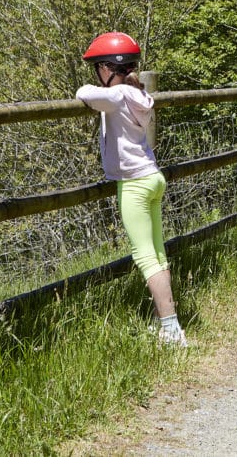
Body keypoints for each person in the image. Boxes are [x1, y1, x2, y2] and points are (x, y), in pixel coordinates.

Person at [77, 31, 188, 347]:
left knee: (145, 256)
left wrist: (97, 88)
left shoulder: (117, 95)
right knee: (158, 252)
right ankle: (167, 323)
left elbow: (82, 94)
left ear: (110, 68)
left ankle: (170, 328)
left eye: (99, 67)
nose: (97, 74)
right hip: (153, 177)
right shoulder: (139, 95)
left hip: (135, 184)